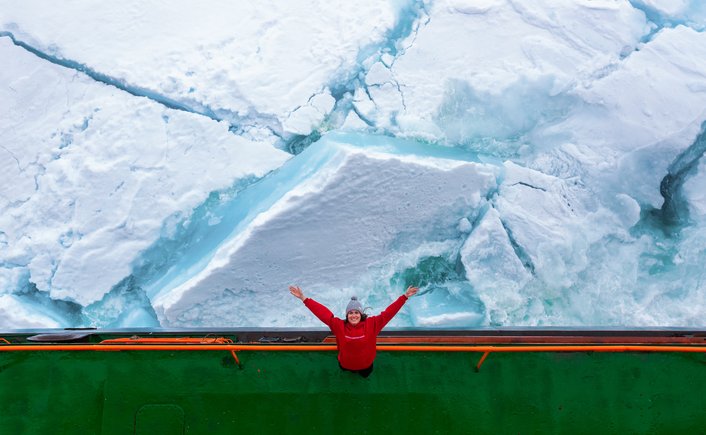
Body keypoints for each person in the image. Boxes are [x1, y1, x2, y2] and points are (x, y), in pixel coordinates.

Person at [289, 284, 419, 377]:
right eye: (350, 313)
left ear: (361, 314)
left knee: (365, 375)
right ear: (347, 315)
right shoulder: (339, 326)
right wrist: (304, 298)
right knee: (347, 371)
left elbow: (389, 313)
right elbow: (323, 313)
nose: (353, 315)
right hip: (345, 364)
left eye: (356, 312)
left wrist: (404, 296)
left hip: (366, 365)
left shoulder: (372, 324)